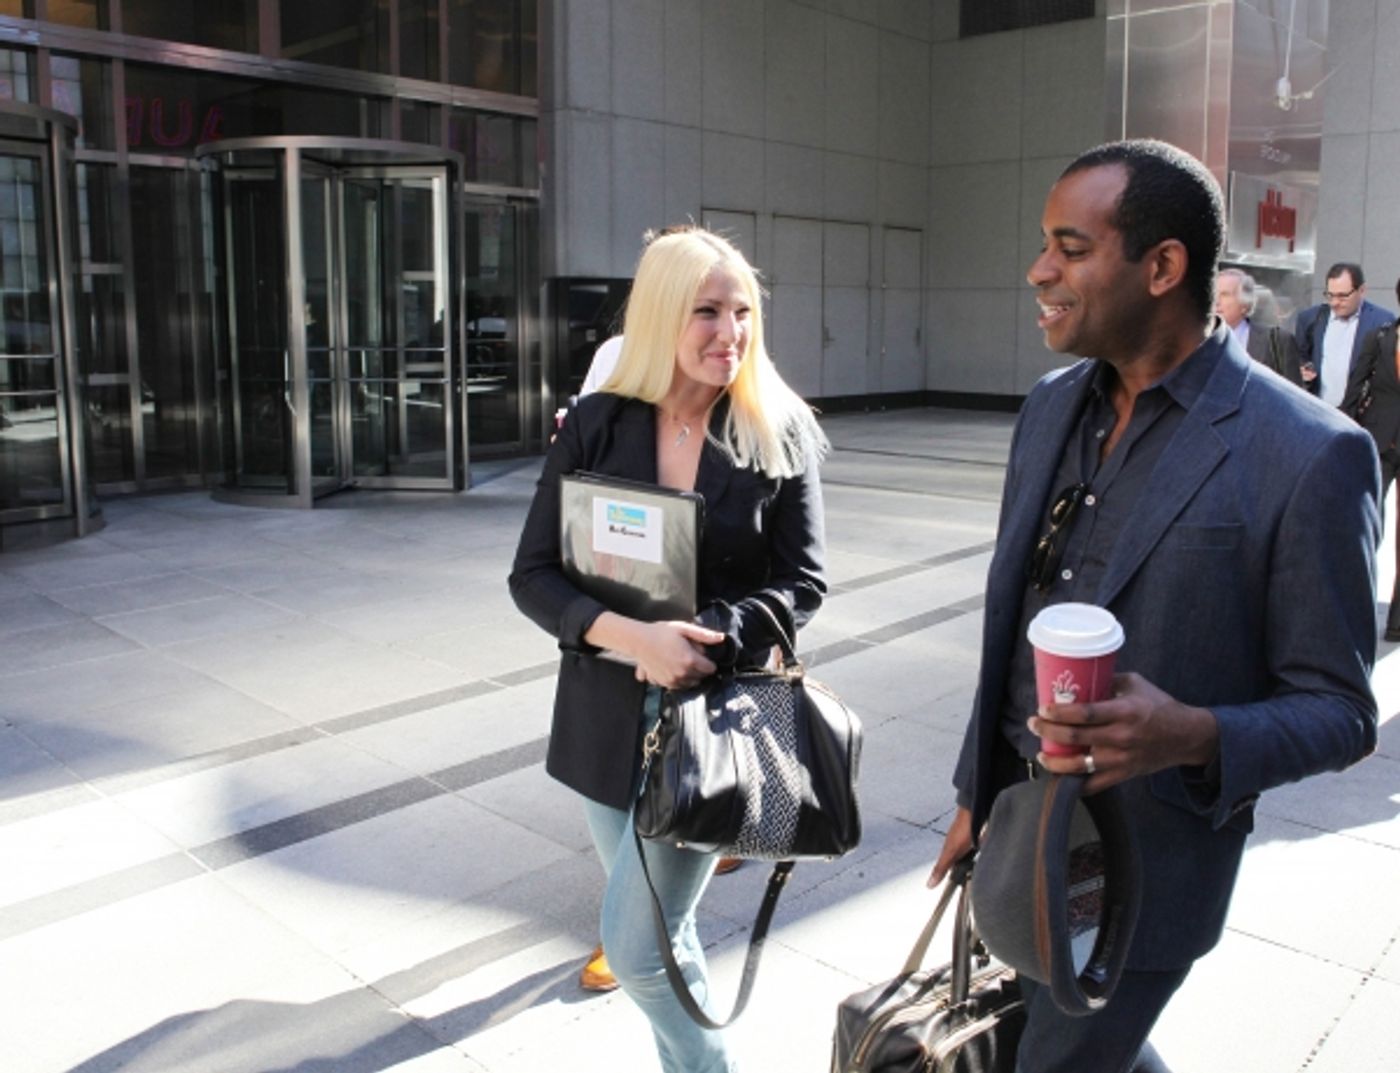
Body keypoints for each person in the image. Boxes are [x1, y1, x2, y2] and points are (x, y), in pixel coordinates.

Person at [927, 139, 1380, 1073]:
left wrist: (1192, 732)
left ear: (1164, 266)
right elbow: (1011, 624)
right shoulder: (1050, 408)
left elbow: (1341, 712)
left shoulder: (1310, 453)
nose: (1038, 270)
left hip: (1149, 875)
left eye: (1069, 246)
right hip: (1019, 833)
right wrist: (979, 793)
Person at [509, 227, 828, 1072]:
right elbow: (532, 573)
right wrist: (631, 637)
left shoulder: (777, 430)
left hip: (711, 730)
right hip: (604, 718)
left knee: (637, 948)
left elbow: (804, 582)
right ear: (659, 315)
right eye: (707, 311)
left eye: (744, 312)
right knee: (664, 936)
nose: (731, 333)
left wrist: (712, 634)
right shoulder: (596, 425)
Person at [1341, 278, 1400, 640]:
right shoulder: (1380, 338)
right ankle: (1351, 605)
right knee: (1366, 526)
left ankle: (1396, 621)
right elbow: (1354, 388)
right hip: (1380, 441)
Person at [1294, 262, 1393, 404]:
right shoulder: (1310, 318)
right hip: (1317, 407)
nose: (1335, 303)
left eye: (1342, 296)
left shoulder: (1382, 321)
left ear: (1362, 290)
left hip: (1360, 414)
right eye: (1330, 295)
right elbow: (1299, 356)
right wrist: (1303, 370)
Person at [1213, 268, 1303, 386]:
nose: (1216, 301)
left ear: (1245, 304)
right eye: (1213, 294)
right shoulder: (1194, 340)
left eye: (1225, 295)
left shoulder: (1277, 341)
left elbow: (1292, 395)